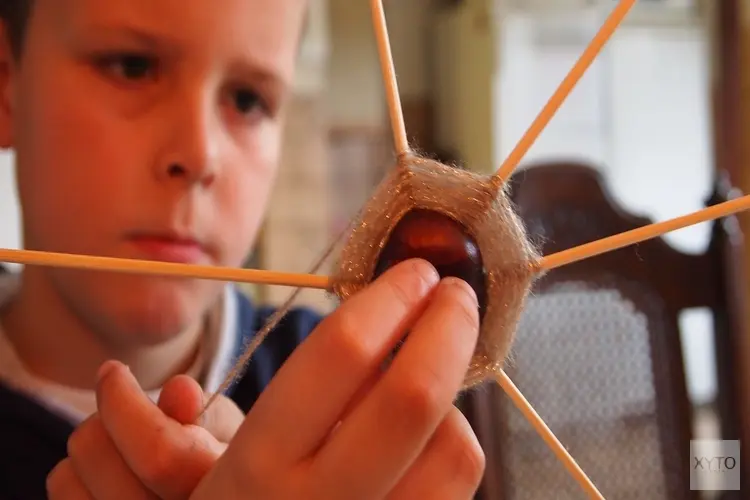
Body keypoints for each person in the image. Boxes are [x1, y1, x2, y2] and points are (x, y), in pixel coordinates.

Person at [0, 0, 486, 498]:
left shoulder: (359, 398)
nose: (199, 154)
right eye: (133, 66)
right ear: (6, 83)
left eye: (248, 99)